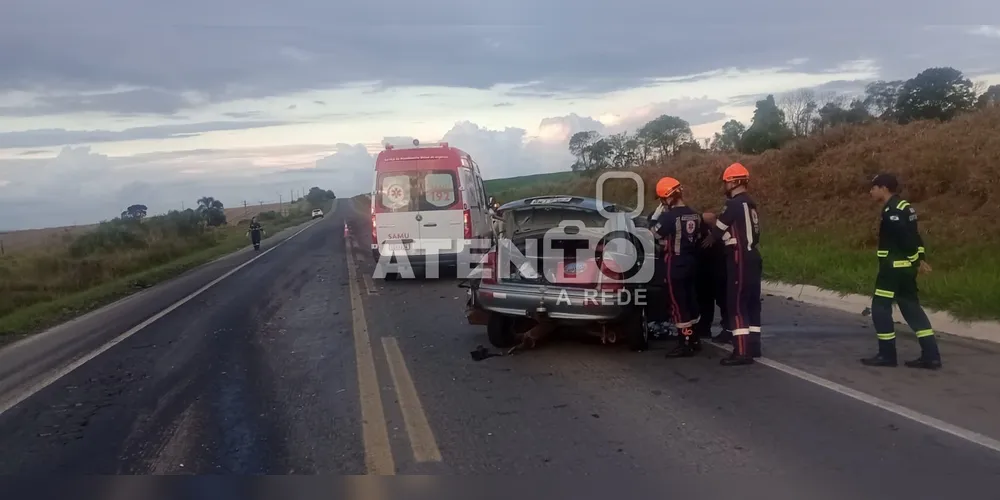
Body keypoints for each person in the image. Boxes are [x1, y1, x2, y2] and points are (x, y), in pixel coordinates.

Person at [860, 173, 942, 369]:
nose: (871, 192)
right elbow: (915, 236)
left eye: (874, 188)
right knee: (912, 309)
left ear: (884, 188)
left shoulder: (892, 210)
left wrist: (915, 260)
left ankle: (887, 355)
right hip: (905, 272)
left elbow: (905, 237)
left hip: (892, 270)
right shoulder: (906, 207)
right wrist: (920, 258)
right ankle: (931, 356)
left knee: (880, 308)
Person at [710, 163, 762, 366]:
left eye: (726, 181)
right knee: (752, 303)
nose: (725, 185)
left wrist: (710, 223)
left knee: (737, 304)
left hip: (739, 258)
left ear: (733, 182)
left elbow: (718, 231)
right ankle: (754, 346)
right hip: (753, 255)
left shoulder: (732, 204)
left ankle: (741, 351)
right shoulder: (751, 203)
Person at [652, 177, 704, 357]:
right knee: (691, 300)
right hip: (692, 262)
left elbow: (654, 233)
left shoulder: (668, 217)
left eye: (662, 199)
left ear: (668, 197)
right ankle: (695, 338)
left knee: (677, 303)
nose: (663, 203)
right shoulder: (695, 214)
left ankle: (685, 342)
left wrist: (654, 218)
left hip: (675, 264)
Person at [693, 211, 732, 344]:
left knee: (721, 301)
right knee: (707, 301)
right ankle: (706, 328)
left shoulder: (716, 233)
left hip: (717, 270)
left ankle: (726, 329)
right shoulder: (709, 232)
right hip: (708, 270)